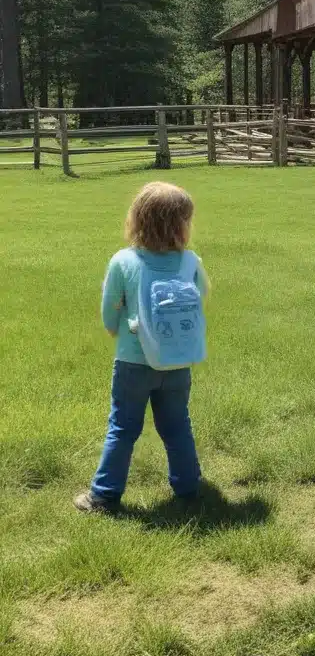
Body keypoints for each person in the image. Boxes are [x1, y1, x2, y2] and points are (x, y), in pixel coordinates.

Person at [75, 182, 210, 514]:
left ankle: (104, 496)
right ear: (182, 224)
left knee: (123, 427)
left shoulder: (124, 261)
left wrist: (116, 330)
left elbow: (110, 314)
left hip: (133, 362)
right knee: (177, 425)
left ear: (137, 219)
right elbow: (203, 293)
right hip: (177, 362)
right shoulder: (190, 261)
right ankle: (189, 486)